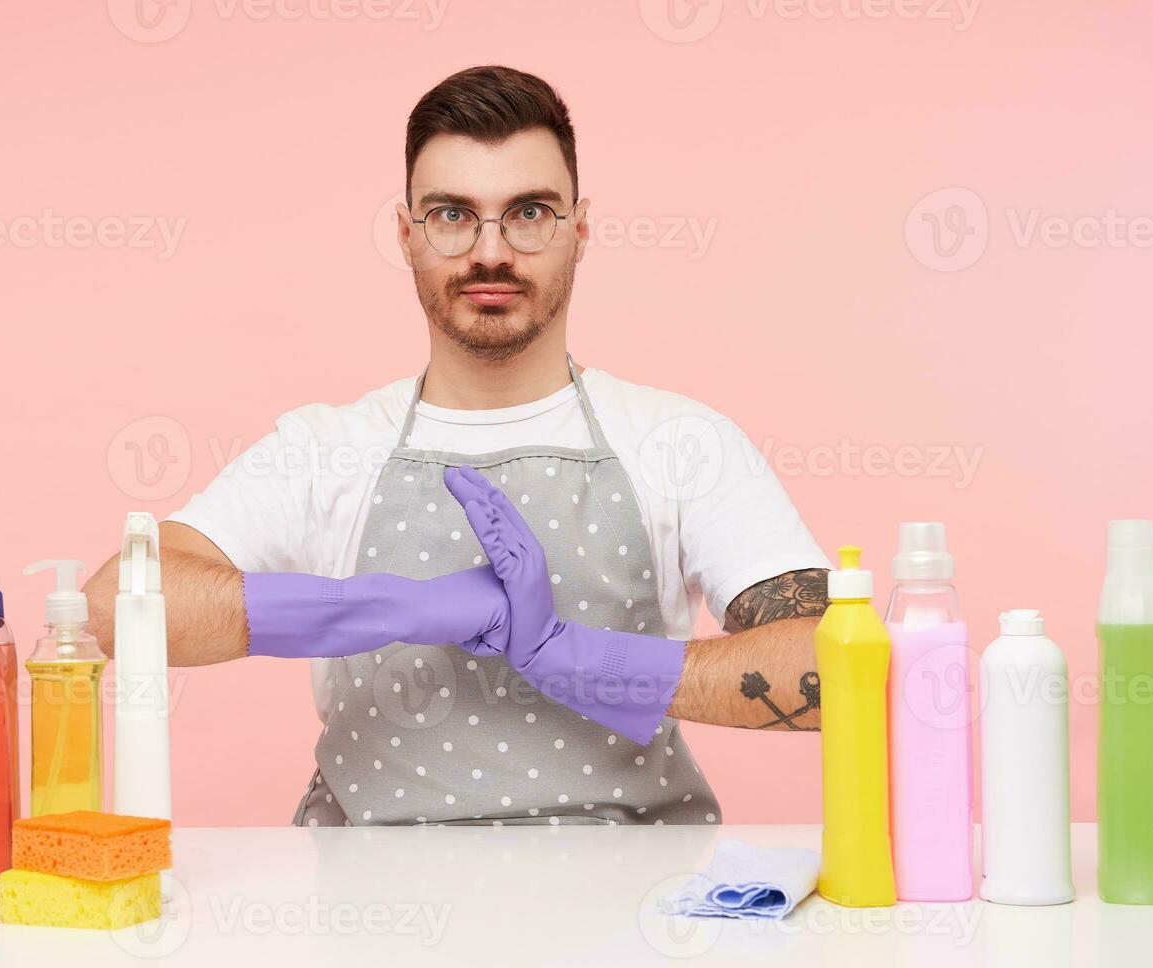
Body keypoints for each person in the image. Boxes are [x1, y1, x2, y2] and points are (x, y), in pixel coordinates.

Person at [85, 65, 830, 828]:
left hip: (631, 908)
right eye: (452, 214)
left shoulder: (681, 443)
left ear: (580, 229)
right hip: (369, 914)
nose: (490, 252)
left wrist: (583, 659)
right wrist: (389, 605)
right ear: (407, 234)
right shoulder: (326, 447)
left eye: (529, 212)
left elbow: (835, 668)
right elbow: (115, 606)